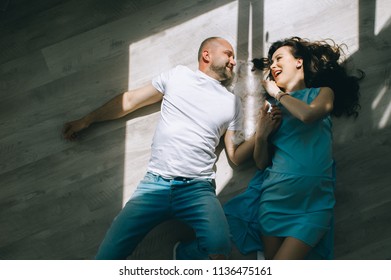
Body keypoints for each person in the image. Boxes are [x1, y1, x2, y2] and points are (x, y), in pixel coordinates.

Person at [63, 37, 275, 260]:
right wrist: (88, 120)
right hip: (154, 185)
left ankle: (184, 253)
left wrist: (262, 132)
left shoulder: (231, 103)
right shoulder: (178, 76)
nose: (233, 61)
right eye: (228, 54)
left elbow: (236, 156)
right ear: (206, 55)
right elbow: (132, 100)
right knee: (107, 256)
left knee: (220, 248)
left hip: (198, 189)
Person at [224, 36, 364, 260]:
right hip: (275, 202)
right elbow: (255, 162)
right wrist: (262, 134)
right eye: (271, 63)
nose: (274, 66)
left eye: (279, 58)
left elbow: (308, 115)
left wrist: (278, 93)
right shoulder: (273, 110)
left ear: (299, 61)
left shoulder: (322, 93)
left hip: (315, 207)